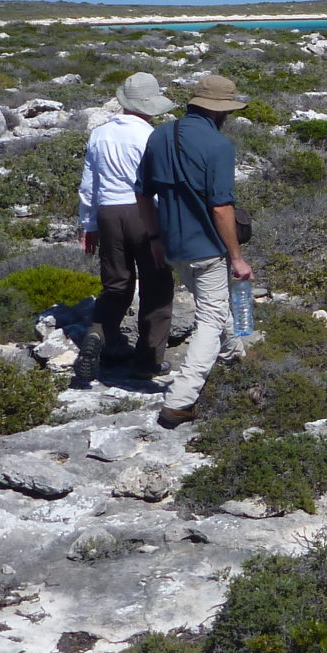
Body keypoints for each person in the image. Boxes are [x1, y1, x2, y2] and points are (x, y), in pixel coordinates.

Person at [139, 74, 252, 428]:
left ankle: (234, 353)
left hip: (171, 244)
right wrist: (236, 257)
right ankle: (181, 399)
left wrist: (155, 238)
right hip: (206, 248)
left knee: (213, 305)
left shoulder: (159, 135)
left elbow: (143, 194)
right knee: (211, 316)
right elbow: (221, 208)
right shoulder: (218, 146)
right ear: (221, 111)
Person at [74, 73, 178, 387]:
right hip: (143, 213)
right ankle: (147, 362)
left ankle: (97, 334)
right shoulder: (152, 135)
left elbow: (89, 183)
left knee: (116, 284)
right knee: (157, 286)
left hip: (107, 213)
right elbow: (159, 185)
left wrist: (88, 224)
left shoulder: (99, 134)